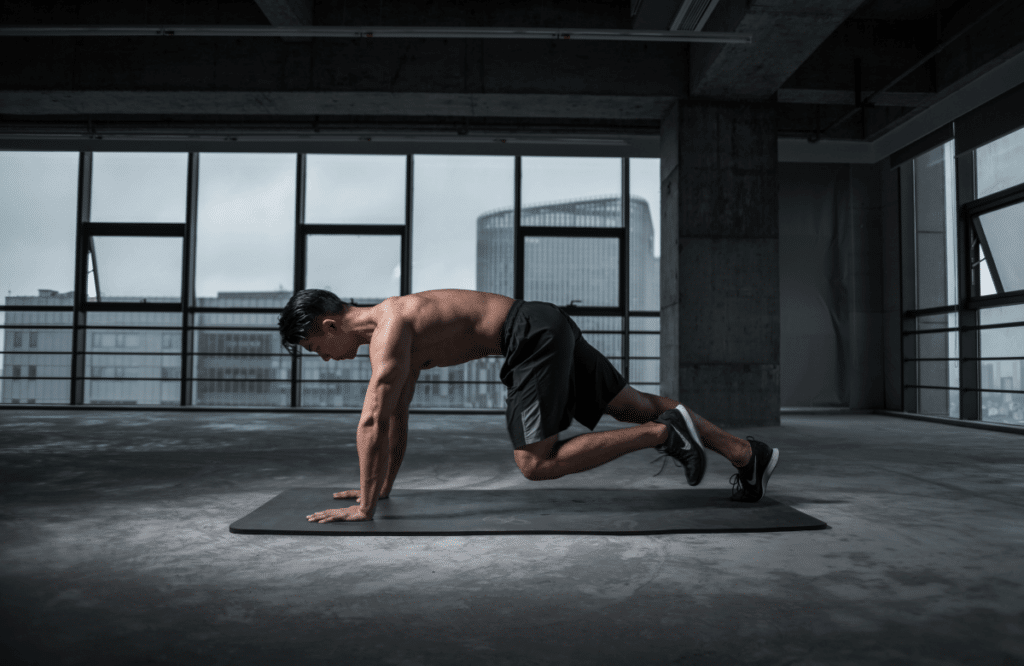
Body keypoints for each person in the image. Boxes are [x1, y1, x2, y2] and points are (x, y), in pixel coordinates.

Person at [278, 288, 780, 523]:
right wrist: (380, 489)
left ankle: (665, 435)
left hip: (528, 335)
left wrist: (365, 509)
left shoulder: (389, 331)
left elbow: (371, 419)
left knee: (536, 463)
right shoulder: (394, 329)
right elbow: (395, 417)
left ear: (327, 326)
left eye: (315, 349)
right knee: (633, 405)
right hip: (543, 322)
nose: (323, 358)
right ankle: (745, 454)